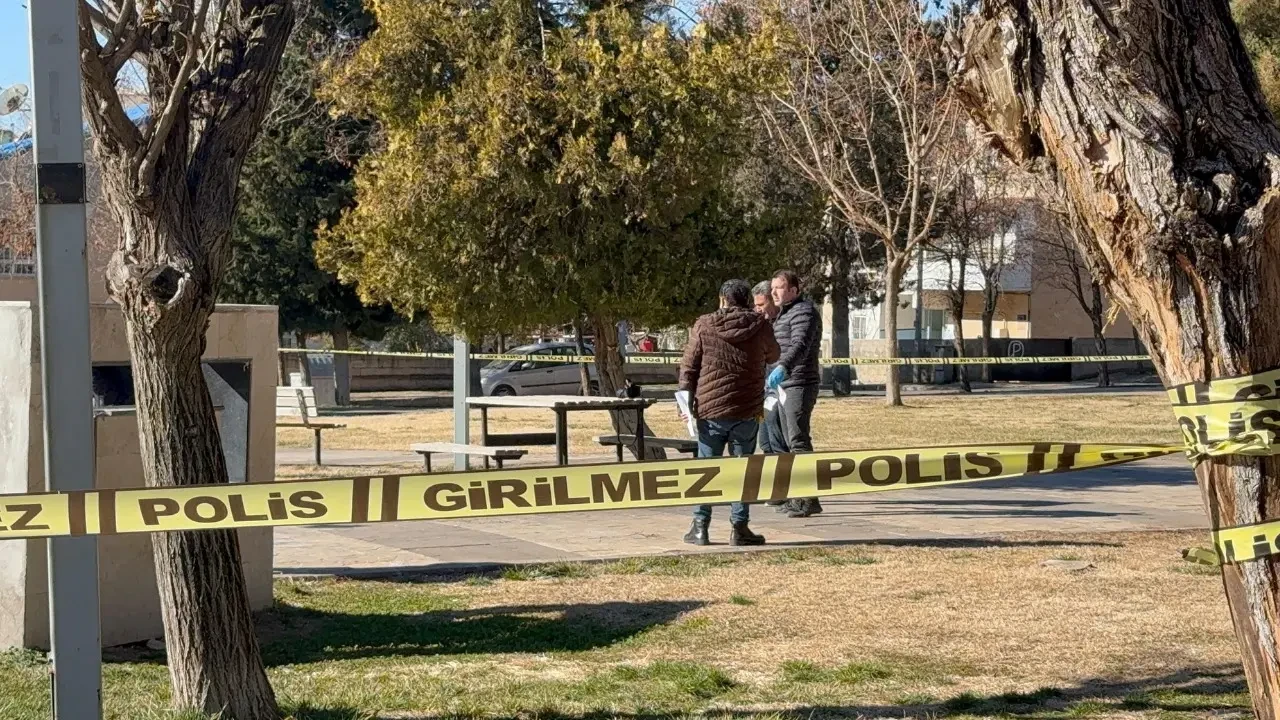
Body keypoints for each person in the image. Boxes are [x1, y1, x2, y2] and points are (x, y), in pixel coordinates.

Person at [679, 279, 780, 546]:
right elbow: (774, 355)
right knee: (743, 470)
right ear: (747, 300)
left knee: (707, 470)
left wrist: (685, 405)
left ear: (722, 299)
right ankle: (740, 527)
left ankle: (700, 527)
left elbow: (688, 368)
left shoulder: (704, 324)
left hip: (709, 410)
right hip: (746, 409)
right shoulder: (760, 326)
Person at [768, 270, 823, 518]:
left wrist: (784, 367)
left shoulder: (804, 312)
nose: (774, 293)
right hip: (783, 386)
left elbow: (800, 345)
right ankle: (795, 496)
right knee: (789, 443)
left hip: (799, 382)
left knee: (799, 441)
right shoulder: (783, 314)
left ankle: (809, 499)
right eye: (772, 289)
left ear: (794, 290)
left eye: (779, 288)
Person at [752, 281, 788, 508]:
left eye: (761, 304)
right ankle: (772, 486)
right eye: (755, 305)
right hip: (762, 393)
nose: (758, 309)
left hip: (780, 390)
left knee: (777, 438)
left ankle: (783, 490)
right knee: (764, 439)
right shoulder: (759, 325)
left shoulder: (783, 323)